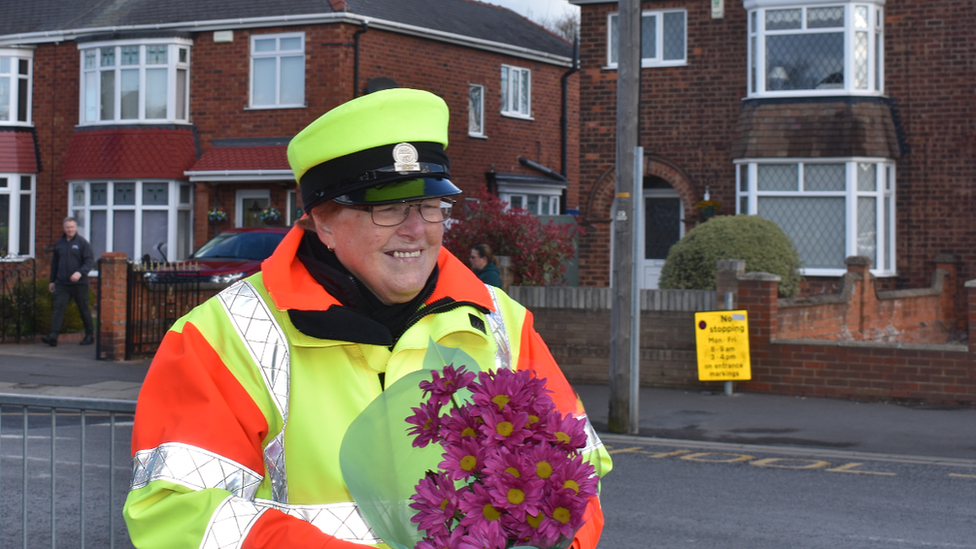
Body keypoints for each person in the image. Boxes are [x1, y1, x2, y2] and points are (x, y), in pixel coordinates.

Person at [122, 88, 611, 549]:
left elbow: (577, 477)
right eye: (389, 208)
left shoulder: (504, 321)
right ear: (323, 220)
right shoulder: (221, 337)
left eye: (429, 205)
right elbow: (177, 515)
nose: (416, 229)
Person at [42, 217, 95, 346]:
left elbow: (89, 261)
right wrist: (52, 280)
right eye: (67, 227)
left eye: (72, 227)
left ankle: (89, 335)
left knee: (84, 309)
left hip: (79, 284)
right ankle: (53, 336)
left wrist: (80, 272)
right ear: (64, 228)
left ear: (76, 228)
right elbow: (55, 263)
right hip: (62, 283)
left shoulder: (82, 243)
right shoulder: (60, 243)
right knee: (58, 309)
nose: (70, 230)